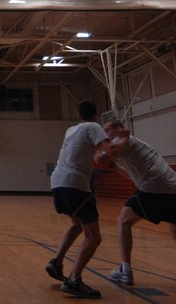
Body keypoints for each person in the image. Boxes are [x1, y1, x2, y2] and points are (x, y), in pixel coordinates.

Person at [102, 120, 176, 292]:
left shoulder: (122, 141)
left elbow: (103, 157)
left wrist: (94, 152)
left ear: (119, 129)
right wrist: (114, 167)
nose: (105, 134)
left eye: (107, 130)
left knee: (124, 221)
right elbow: (134, 176)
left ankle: (125, 270)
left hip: (153, 188)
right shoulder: (132, 146)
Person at [46, 100, 128, 299]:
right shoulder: (94, 127)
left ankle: (56, 262)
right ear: (97, 114)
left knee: (76, 225)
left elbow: (88, 154)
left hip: (58, 182)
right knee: (93, 236)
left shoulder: (71, 130)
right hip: (75, 184)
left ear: (78, 113)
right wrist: (124, 138)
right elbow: (110, 153)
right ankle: (74, 280)